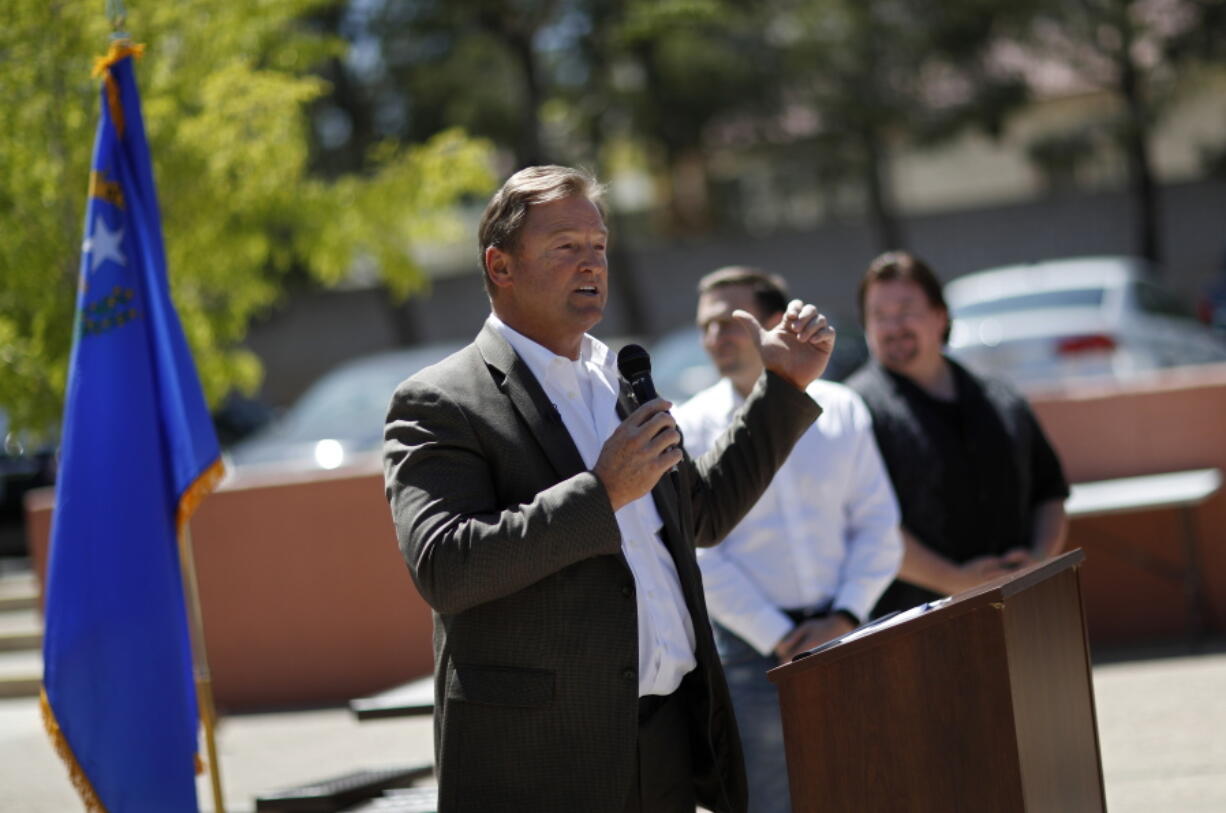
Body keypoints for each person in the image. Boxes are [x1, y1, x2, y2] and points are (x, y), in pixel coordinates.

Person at [382, 166, 837, 813]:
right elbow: (446, 565)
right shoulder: (441, 400)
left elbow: (697, 513)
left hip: (666, 744)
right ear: (500, 265)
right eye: (565, 247)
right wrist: (601, 492)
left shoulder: (619, 377)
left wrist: (782, 390)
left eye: (598, 246)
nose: (590, 263)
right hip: (543, 761)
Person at [673, 267, 902, 813]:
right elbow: (699, 553)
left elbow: (878, 527)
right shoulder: (691, 422)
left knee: (867, 787)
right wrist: (782, 638)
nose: (715, 338)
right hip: (749, 656)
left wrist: (844, 617)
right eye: (706, 327)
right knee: (768, 803)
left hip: (851, 635)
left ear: (775, 323)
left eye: (730, 322)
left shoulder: (842, 407)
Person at [845, 251, 1070, 618]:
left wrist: (1039, 560)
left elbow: (1050, 493)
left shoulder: (1001, 398)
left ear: (940, 316)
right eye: (879, 316)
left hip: (1020, 611)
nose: (893, 326)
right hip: (909, 626)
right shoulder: (854, 410)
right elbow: (865, 526)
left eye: (905, 311)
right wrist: (956, 581)